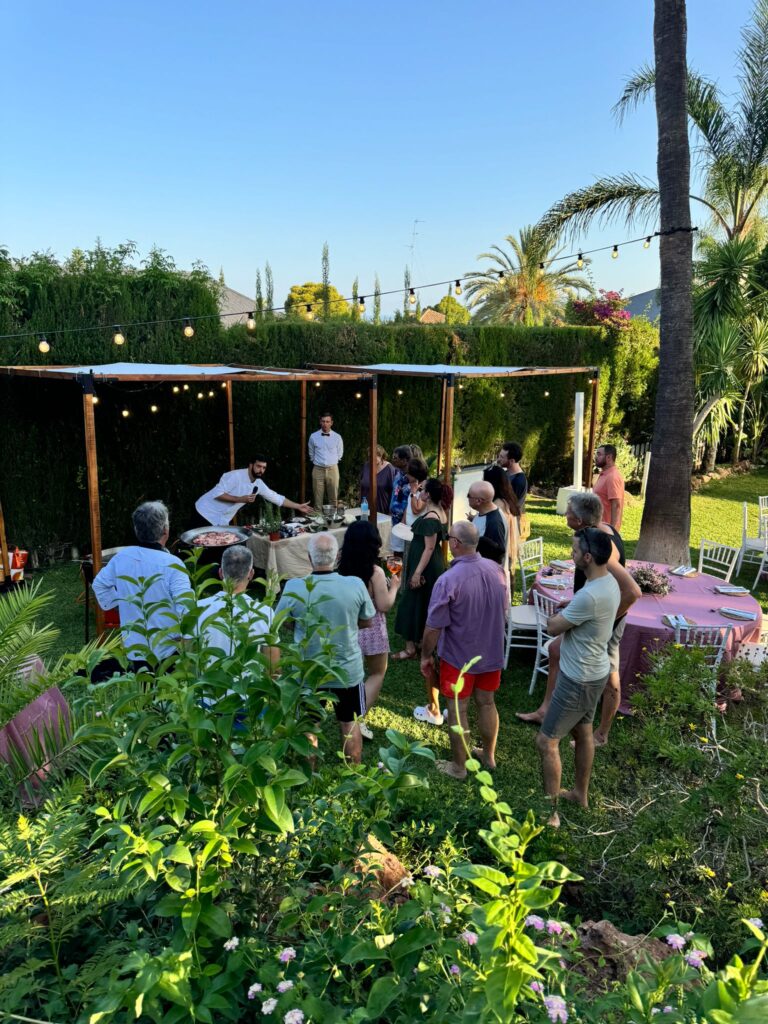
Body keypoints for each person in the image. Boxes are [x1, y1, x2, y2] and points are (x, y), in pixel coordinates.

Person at [516, 492, 640, 747]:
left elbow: (633, 592)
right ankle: (545, 710)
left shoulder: (604, 545)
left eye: (569, 512)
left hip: (607, 621)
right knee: (555, 650)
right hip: (593, 611)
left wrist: (608, 621)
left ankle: (602, 734)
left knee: (610, 677)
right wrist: (575, 603)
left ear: (581, 520)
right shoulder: (592, 534)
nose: (565, 515)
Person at [536, 528, 620, 827]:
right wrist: (571, 608)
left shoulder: (590, 596)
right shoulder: (609, 582)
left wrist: (554, 617)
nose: (571, 556)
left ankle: (551, 814)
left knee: (547, 742)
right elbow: (583, 614)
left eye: (574, 552)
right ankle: (580, 794)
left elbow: (554, 628)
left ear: (587, 557)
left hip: (577, 678)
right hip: (595, 672)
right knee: (583, 734)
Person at [275, 532, 374, 764]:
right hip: (346, 670)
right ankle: (354, 772)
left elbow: (280, 622)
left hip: (308, 671)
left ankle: (309, 775)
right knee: (350, 722)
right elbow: (368, 620)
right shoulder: (355, 584)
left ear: (309, 558)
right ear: (337, 557)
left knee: (309, 724)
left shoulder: (293, 587)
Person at [421, 521, 508, 779]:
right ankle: (489, 756)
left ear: (455, 544)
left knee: (459, 710)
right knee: (487, 703)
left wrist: (425, 655)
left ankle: (459, 767)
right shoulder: (497, 570)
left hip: (459, 658)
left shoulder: (448, 580)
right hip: (491, 653)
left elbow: (433, 627)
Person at [92, 501, 193, 666]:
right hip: (169, 646)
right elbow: (186, 605)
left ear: (136, 530)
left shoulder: (121, 558)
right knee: (168, 689)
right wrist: (187, 641)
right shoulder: (173, 564)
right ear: (166, 531)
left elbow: (99, 584)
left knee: (143, 687)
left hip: (135, 643)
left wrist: (121, 605)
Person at [393, 479, 452, 724]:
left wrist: (416, 573)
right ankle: (420, 643)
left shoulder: (429, 518)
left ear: (429, 494)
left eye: (424, 490)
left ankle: (411, 647)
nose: (421, 492)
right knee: (424, 603)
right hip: (433, 563)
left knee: (412, 601)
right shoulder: (442, 511)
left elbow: (428, 548)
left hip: (426, 566)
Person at [338, 520, 401, 737]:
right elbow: (383, 605)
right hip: (372, 629)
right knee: (377, 673)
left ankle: (352, 717)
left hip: (348, 627)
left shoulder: (340, 567)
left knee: (351, 677)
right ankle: (357, 718)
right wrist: (394, 588)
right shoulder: (374, 572)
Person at [196, 545, 277, 664]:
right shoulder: (265, 613)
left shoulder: (197, 608)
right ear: (251, 574)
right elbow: (273, 667)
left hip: (208, 680)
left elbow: (188, 660)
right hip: (248, 682)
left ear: (220, 573)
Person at [195, 455, 313, 526]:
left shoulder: (259, 484)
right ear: (251, 465)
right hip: (204, 512)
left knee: (213, 555)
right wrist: (240, 499)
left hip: (221, 520)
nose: (261, 470)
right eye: (258, 466)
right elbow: (217, 494)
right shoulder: (234, 476)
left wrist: (297, 506)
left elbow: (276, 498)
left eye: (264, 468)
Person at [482, 464, 521, 569]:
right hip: (508, 547)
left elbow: (497, 527)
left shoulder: (498, 504)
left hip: (501, 550)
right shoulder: (508, 498)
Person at [389, 444, 423, 558]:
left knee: (407, 555)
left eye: (395, 458)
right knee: (396, 555)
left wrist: (403, 519)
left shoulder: (415, 478)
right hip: (395, 520)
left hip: (406, 523)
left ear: (404, 460)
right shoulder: (397, 474)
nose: (393, 460)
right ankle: (396, 576)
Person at [308, 412, 344, 510]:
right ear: (320, 422)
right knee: (317, 498)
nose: (325, 424)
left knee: (333, 498)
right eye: (323, 421)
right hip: (318, 469)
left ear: (331, 423)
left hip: (333, 469)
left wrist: (332, 462)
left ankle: (333, 521)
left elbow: (340, 453)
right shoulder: (313, 436)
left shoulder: (337, 437)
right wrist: (316, 462)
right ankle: (318, 522)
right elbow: (311, 453)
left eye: (327, 421)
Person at [467, 481, 507, 552]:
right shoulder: (484, 512)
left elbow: (495, 555)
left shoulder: (494, 524)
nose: (467, 498)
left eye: (469, 496)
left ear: (478, 501)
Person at [593, 444, 625, 530]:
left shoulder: (613, 477)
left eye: (599, 454)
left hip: (606, 530)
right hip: (598, 526)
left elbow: (616, 504)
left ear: (609, 457)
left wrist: (612, 531)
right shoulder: (604, 474)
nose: (596, 457)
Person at [359, 445, 397, 514]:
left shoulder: (389, 469)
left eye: (374, 456)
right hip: (365, 509)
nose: (371, 459)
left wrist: (391, 511)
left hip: (383, 509)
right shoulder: (366, 466)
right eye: (369, 456)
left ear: (381, 456)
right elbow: (361, 487)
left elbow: (394, 492)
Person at [498, 441, 528, 511]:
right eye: (499, 455)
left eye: (502, 457)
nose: (498, 459)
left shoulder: (518, 481)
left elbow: (507, 508)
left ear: (511, 461)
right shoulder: (505, 473)